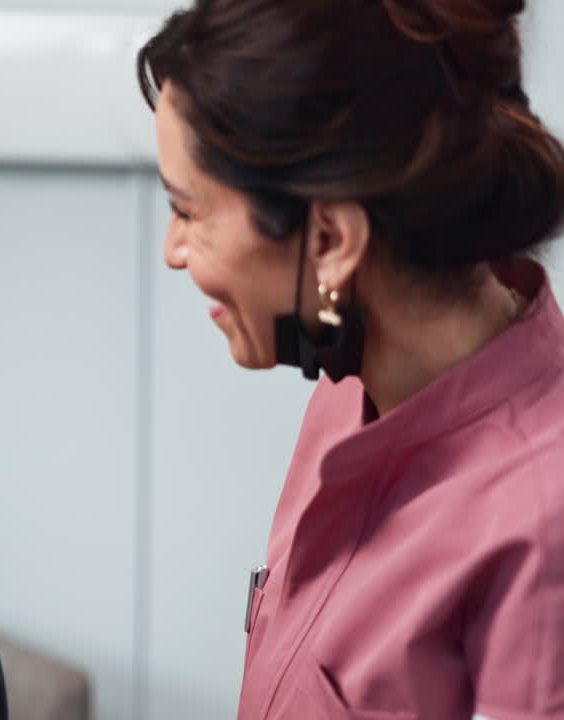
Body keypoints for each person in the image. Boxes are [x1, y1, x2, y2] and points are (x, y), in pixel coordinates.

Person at [139, 0, 564, 717]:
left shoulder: (541, 532)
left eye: (189, 210)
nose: (173, 251)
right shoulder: (348, 394)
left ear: (333, 241)